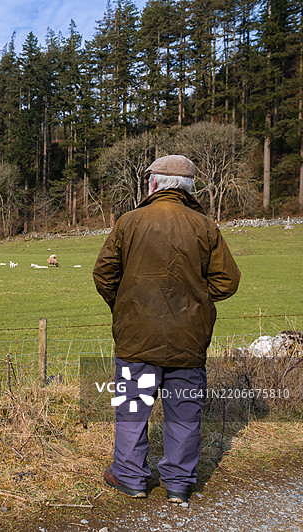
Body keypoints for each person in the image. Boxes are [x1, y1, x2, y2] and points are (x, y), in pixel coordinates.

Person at [92, 155, 241, 504]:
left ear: (154, 184)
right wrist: (195, 300)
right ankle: (178, 483)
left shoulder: (129, 222)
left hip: (137, 338)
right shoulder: (205, 226)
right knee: (184, 412)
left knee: (132, 409)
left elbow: (104, 274)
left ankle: (130, 477)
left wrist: (125, 305)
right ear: (188, 189)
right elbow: (227, 281)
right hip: (188, 339)